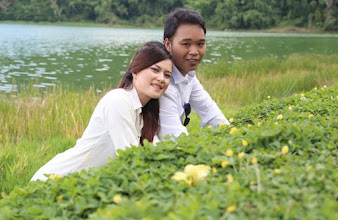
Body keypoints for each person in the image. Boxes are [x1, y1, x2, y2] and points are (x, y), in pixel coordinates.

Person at [31, 41, 172, 181]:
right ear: (135, 71)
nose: (161, 78)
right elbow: (130, 158)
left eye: (167, 75)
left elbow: (156, 155)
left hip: (83, 186)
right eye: (155, 70)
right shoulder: (119, 100)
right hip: (55, 180)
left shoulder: (144, 114)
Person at [158, 8, 229, 139]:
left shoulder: (188, 76)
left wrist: (233, 135)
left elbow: (210, 112)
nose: (195, 52)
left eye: (200, 44)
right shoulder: (160, 83)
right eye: (186, 44)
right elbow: (175, 140)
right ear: (168, 44)